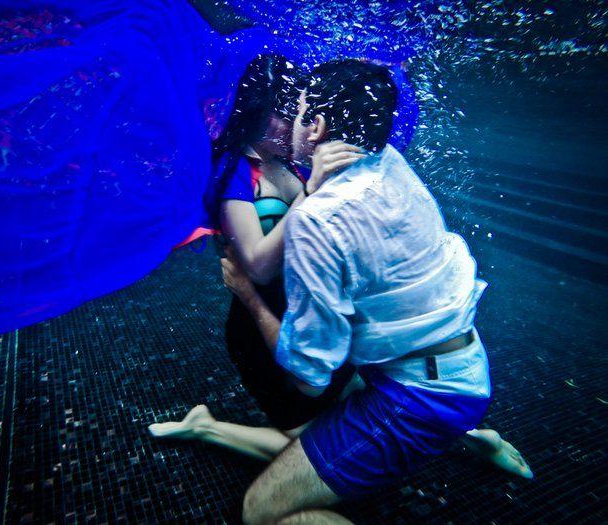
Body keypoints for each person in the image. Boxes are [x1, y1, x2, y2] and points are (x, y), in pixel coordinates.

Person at [148, 57, 532, 487]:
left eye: (298, 108)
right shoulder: (237, 171)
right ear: (254, 112)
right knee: (304, 437)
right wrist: (309, 193)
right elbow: (255, 264)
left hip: (322, 314)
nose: (294, 119)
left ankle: (467, 433)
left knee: (362, 404)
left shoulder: (293, 160)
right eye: (283, 110)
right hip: (266, 320)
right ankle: (206, 428)